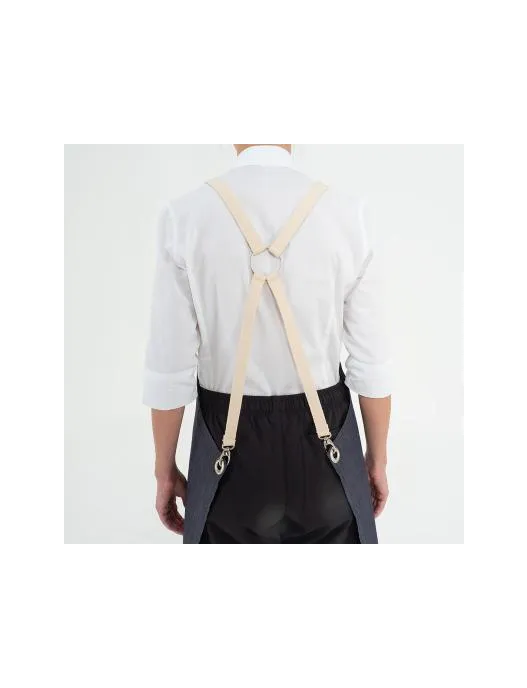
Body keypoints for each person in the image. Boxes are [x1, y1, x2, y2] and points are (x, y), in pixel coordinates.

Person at [143, 144, 392, 544]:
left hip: (224, 446)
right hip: (328, 451)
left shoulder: (184, 217)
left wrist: (164, 469)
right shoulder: (349, 215)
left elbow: (168, 369)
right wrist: (377, 459)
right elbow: (372, 364)